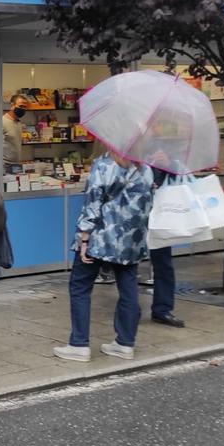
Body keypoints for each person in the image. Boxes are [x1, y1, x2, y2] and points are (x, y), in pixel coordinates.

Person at [54, 152, 154, 362]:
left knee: (80, 286)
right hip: (130, 241)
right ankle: (125, 343)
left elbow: (93, 202)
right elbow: (147, 206)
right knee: (128, 289)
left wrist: (84, 237)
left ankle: (79, 344)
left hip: (101, 238)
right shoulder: (146, 169)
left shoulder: (105, 165)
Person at [149, 168, 186, 328]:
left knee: (163, 264)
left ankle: (162, 309)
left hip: (161, 213)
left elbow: (181, 178)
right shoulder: (129, 154)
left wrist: (168, 167)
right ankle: (129, 309)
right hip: (132, 214)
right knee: (126, 267)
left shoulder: (168, 157)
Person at [2, 94, 27, 166]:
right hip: (4, 165)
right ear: (12, 105)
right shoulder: (2, 121)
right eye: (21, 106)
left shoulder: (19, 123)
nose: (23, 109)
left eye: (25, 107)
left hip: (17, 165)